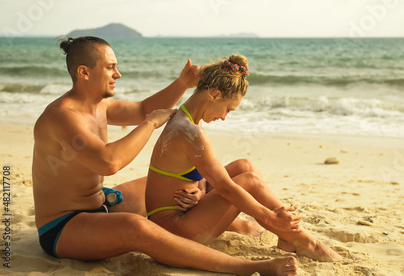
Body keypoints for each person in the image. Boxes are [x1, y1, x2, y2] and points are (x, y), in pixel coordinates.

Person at [32, 36, 297, 275]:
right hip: (64, 226)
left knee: (169, 187)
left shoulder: (99, 106)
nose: (118, 74)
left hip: (102, 203)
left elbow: (145, 107)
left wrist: (183, 83)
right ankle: (247, 268)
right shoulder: (61, 117)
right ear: (84, 72)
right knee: (138, 228)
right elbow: (109, 161)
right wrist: (149, 124)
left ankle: (229, 219)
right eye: (110, 67)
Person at [145, 54, 345, 262]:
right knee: (248, 181)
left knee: (244, 165)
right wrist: (272, 218)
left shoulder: (186, 117)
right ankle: (307, 243)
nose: (223, 117)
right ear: (214, 95)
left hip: (180, 213)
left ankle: (288, 237)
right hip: (172, 229)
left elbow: (191, 175)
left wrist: (200, 190)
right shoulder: (191, 131)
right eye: (228, 109)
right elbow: (225, 187)